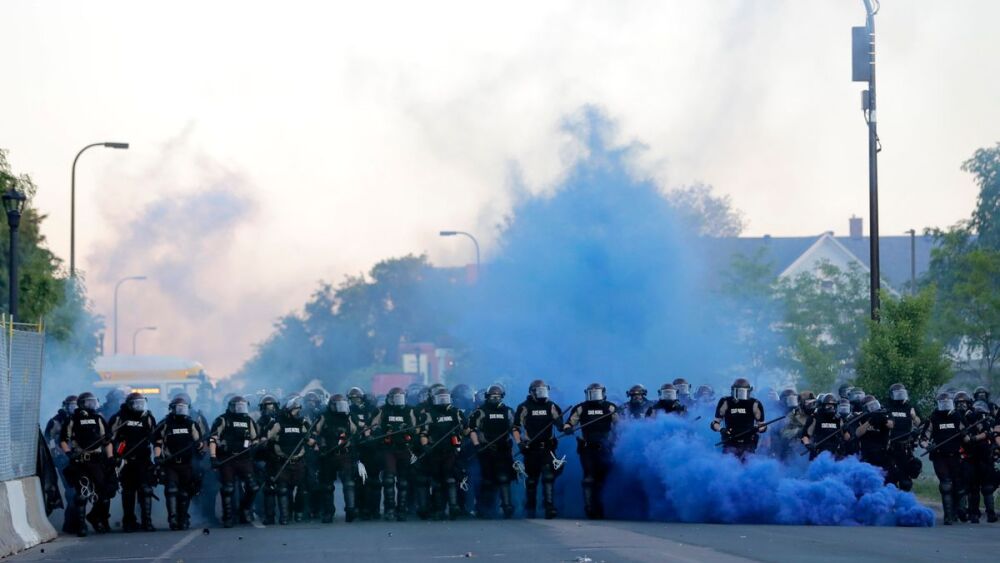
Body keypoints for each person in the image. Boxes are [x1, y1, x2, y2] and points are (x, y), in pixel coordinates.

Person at [60, 392, 115, 537]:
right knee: (81, 495)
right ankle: (81, 525)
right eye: (88, 402)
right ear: (81, 404)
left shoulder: (98, 419)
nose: (92, 405)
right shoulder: (72, 419)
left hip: (96, 460)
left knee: (104, 493)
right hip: (80, 461)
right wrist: (68, 453)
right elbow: (63, 440)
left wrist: (110, 458)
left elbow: (107, 441)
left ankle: (95, 517)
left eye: (93, 402)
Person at [563, 382, 618, 519]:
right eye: (591, 393)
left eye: (597, 393)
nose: (594, 396)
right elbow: (570, 422)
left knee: (602, 480)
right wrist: (567, 428)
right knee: (588, 478)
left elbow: (621, 425)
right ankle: (588, 508)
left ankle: (600, 508)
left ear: (603, 393)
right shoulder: (581, 408)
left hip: (605, 449)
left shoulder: (610, 408)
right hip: (587, 449)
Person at [109, 391, 158, 532]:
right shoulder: (119, 417)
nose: (139, 406)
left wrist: (157, 457)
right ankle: (129, 521)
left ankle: (146, 521)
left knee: (146, 490)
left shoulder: (148, 417)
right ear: (129, 405)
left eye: (141, 403)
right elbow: (110, 438)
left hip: (143, 459)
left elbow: (156, 440)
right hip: (126, 460)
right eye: (136, 404)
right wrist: (114, 457)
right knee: (129, 492)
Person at [513, 379, 563, 519]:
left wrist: (564, 427)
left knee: (548, 476)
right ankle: (530, 507)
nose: (542, 394)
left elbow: (560, 423)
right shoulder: (524, 407)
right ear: (531, 392)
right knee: (532, 480)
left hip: (547, 447)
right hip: (531, 449)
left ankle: (549, 506)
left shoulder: (551, 406)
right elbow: (516, 427)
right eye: (539, 391)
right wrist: (519, 442)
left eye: (544, 390)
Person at [208, 395, 261, 528]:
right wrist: (213, 457)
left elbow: (255, 438)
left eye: (242, 406)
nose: (240, 409)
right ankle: (228, 517)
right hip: (227, 459)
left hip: (244, 459)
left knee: (253, 487)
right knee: (228, 488)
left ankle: (245, 510)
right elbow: (213, 439)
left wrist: (255, 443)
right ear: (231, 407)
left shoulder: (248, 420)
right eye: (238, 406)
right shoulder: (222, 420)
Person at [416, 387, 468, 520]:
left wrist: (466, 429)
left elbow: (465, 431)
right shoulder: (428, 414)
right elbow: (423, 433)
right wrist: (425, 445)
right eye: (440, 399)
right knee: (437, 482)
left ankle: (453, 506)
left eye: (445, 398)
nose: (443, 402)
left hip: (451, 450)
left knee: (450, 479)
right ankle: (438, 509)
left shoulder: (455, 413)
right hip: (434, 451)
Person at [154, 396, 203, 530]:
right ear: (172, 409)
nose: (181, 411)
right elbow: (158, 442)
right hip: (170, 464)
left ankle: (183, 517)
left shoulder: (191, 424)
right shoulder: (165, 424)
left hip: (187, 464)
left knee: (184, 493)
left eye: (184, 408)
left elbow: (199, 441)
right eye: (178, 408)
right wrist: (157, 457)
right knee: (171, 490)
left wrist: (200, 448)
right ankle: (173, 518)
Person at [920, 393, 969, 525]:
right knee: (946, 485)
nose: (946, 405)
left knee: (959, 486)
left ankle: (959, 511)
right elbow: (924, 439)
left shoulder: (957, 416)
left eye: (948, 402)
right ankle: (948, 516)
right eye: (943, 403)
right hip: (940, 456)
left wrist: (965, 435)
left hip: (955, 456)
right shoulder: (933, 418)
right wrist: (928, 446)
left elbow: (967, 439)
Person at [468, 385, 516, 519]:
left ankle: (507, 506)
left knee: (504, 478)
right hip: (486, 450)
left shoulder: (508, 411)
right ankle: (484, 508)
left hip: (504, 449)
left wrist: (521, 442)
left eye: (498, 397)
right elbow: (472, 429)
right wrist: (477, 445)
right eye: (492, 397)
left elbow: (515, 429)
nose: (495, 399)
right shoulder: (480, 412)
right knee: (487, 480)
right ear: (487, 397)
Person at [312, 393, 360, 523]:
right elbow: (316, 431)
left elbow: (355, 431)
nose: (341, 408)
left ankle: (350, 510)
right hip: (328, 454)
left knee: (348, 483)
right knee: (327, 485)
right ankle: (328, 512)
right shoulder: (324, 416)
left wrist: (349, 418)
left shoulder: (349, 416)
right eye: (338, 405)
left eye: (343, 405)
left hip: (344, 454)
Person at [371, 387, 417, 521]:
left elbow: (415, 427)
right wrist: (380, 432)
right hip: (388, 448)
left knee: (403, 481)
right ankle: (389, 508)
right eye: (395, 397)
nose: (398, 400)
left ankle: (401, 509)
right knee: (389, 479)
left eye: (400, 397)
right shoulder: (382, 410)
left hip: (404, 448)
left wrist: (411, 434)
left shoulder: (410, 410)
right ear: (389, 398)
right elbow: (374, 426)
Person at [264, 396, 311, 524]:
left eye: (298, 410)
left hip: (298, 460)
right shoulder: (278, 423)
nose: (297, 413)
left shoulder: (302, 423)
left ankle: (299, 514)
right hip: (282, 460)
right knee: (283, 489)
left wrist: (311, 441)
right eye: (295, 410)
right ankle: (285, 516)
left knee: (302, 489)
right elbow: (267, 438)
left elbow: (310, 437)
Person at [45, 395, 79, 534]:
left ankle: (76, 521)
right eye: (72, 406)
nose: (75, 409)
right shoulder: (56, 421)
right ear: (65, 406)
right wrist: (57, 453)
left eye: (77, 405)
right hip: (64, 459)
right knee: (72, 491)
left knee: (79, 491)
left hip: (79, 459)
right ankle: (71, 523)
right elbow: (49, 439)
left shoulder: (81, 419)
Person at [711, 378, 766, 460]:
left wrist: (757, 429)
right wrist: (722, 429)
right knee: (728, 465)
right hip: (730, 442)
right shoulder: (725, 402)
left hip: (748, 443)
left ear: (749, 391)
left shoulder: (755, 404)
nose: (740, 395)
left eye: (743, 392)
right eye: (738, 391)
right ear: (733, 390)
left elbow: (763, 426)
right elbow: (714, 423)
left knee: (747, 466)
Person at [348, 386, 381, 520]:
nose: (355, 400)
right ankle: (361, 508)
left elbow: (378, 426)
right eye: (352, 398)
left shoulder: (373, 410)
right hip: (358, 449)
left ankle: (375, 509)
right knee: (359, 480)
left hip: (372, 448)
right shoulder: (349, 411)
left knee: (375, 481)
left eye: (357, 398)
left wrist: (370, 432)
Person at [963, 400, 999, 523]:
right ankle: (974, 514)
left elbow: (991, 435)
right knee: (973, 488)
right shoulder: (967, 421)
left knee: (987, 488)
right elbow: (964, 437)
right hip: (972, 459)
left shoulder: (990, 422)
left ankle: (990, 513)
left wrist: (975, 437)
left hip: (986, 460)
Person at [885, 383, 922, 492]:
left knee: (906, 483)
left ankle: (904, 504)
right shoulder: (887, 406)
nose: (900, 397)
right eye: (897, 394)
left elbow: (920, 424)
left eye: (902, 394)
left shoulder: (909, 407)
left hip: (905, 447)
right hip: (889, 446)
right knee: (890, 478)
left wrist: (914, 416)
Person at [254, 394, 280, 524]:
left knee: (283, 487)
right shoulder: (260, 422)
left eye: (272, 406)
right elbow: (255, 439)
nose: (270, 409)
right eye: (267, 407)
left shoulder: (282, 420)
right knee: (267, 487)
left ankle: (285, 514)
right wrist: (261, 441)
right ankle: (267, 515)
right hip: (264, 457)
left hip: (279, 457)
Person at [855, 395, 893, 475]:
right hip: (867, 454)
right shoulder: (861, 417)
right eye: (871, 406)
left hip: (883, 452)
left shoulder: (884, 413)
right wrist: (869, 422)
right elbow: (858, 433)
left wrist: (884, 420)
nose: (874, 408)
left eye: (875, 405)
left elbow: (891, 425)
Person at [801, 394, 847, 459]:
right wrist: (807, 444)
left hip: (836, 453)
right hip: (819, 453)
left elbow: (847, 438)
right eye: (828, 405)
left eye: (832, 406)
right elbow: (805, 435)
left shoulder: (839, 419)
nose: (830, 408)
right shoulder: (815, 418)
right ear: (823, 406)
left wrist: (846, 429)